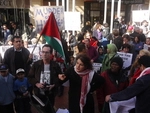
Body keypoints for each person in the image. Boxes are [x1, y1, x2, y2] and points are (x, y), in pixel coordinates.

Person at [28, 44, 62, 113]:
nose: (44, 54)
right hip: (39, 93)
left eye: (46, 52)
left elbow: (61, 78)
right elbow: (30, 77)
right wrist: (37, 84)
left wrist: (54, 85)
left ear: (50, 54)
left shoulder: (55, 65)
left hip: (51, 93)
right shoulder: (36, 65)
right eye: (43, 52)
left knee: (50, 109)